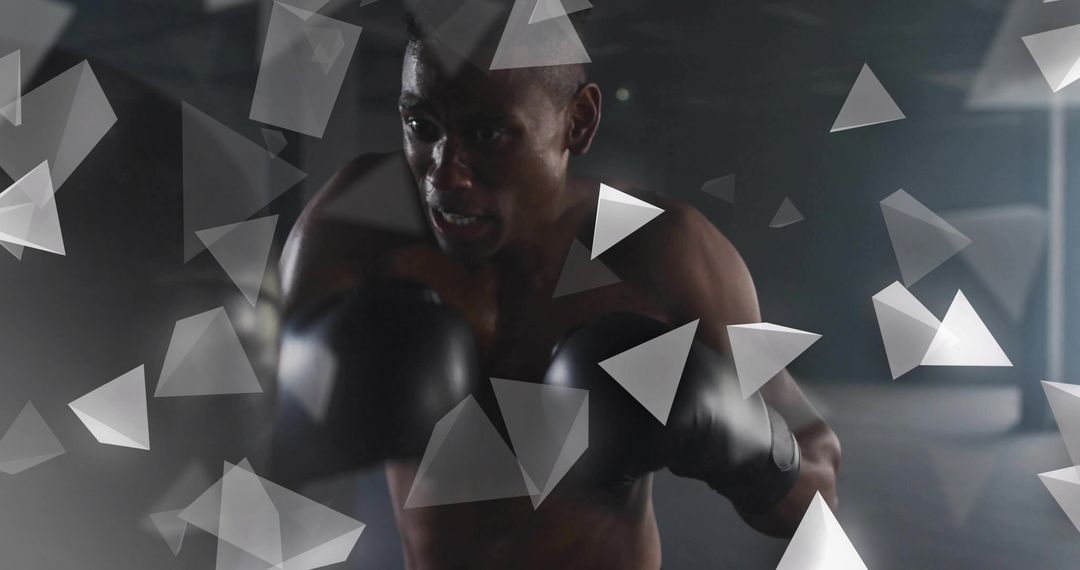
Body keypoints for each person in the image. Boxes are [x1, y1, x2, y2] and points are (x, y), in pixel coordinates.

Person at [273, 4, 840, 568]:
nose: (444, 174)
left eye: (489, 134)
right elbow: (238, 443)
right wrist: (309, 400)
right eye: (422, 126)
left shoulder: (663, 251)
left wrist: (745, 442)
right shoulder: (362, 226)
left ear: (579, 121)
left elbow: (819, 482)